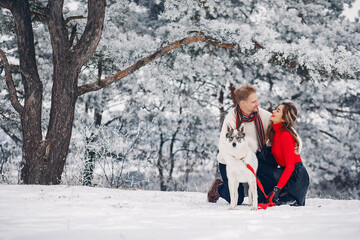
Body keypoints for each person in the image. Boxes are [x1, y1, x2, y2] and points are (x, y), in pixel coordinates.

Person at [207, 84, 272, 205]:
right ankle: (219, 188)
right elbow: (223, 146)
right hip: (229, 160)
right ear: (243, 104)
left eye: (257, 100)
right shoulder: (231, 118)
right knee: (238, 199)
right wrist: (237, 163)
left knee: (262, 197)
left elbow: (282, 123)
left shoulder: (262, 114)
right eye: (254, 101)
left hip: (250, 159)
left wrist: (296, 142)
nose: (257, 104)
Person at [257, 102, 309, 206]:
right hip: (288, 173)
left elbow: (290, 167)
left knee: (276, 202)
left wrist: (277, 189)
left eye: (278, 111)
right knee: (260, 167)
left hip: (296, 178)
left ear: (284, 118)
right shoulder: (276, 133)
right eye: (275, 109)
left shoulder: (285, 135)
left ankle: (286, 195)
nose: (273, 111)